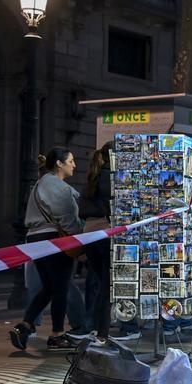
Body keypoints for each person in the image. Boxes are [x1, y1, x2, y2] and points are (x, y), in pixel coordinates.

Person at [8, 147, 83, 351]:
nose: (74, 165)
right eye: (71, 161)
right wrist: (78, 239)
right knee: (61, 287)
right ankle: (57, 335)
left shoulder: (41, 184)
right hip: (54, 238)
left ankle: (25, 326)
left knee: (50, 287)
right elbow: (67, 217)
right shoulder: (56, 185)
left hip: (35, 239)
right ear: (59, 163)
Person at [79, 141, 114, 341]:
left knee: (98, 282)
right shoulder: (110, 176)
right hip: (105, 234)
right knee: (107, 287)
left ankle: (92, 326)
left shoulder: (93, 176)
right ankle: (102, 332)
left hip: (89, 235)